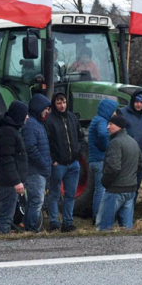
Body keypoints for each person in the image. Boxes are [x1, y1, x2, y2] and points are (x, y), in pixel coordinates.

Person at [45, 92, 83, 232]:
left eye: (64, 102)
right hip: (58, 164)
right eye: (59, 103)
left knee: (70, 195)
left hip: (73, 163)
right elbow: (47, 142)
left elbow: (80, 137)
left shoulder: (72, 118)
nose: (62, 105)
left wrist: (78, 152)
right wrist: (53, 160)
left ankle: (68, 221)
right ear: (54, 104)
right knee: (54, 194)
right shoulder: (49, 120)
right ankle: (54, 222)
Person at [97, 114, 142, 231]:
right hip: (130, 190)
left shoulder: (115, 143)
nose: (107, 127)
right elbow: (141, 165)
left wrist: (104, 182)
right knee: (126, 229)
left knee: (104, 227)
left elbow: (113, 168)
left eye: (110, 124)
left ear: (118, 126)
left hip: (115, 190)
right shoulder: (133, 142)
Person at [0, 101, 29, 234]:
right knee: (6, 215)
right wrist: (16, 181)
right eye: (25, 114)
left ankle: (2, 237)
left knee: (7, 214)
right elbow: (7, 159)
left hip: (9, 181)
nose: (27, 117)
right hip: (8, 183)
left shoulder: (11, 130)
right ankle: (2, 240)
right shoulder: (8, 132)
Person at [20, 94, 51, 232]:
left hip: (38, 170)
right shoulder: (31, 125)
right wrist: (44, 164)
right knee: (36, 201)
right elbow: (30, 148)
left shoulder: (37, 123)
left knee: (34, 202)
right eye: (46, 108)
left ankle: (29, 227)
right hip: (35, 171)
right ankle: (32, 229)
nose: (47, 111)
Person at [88, 99, 118, 223]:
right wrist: (107, 147)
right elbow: (102, 134)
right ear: (108, 110)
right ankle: (98, 217)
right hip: (99, 160)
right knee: (101, 190)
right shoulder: (101, 121)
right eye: (113, 111)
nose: (115, 113)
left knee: (99, 189)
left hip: (94, 160)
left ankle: (98, 215)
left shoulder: (96, 119)